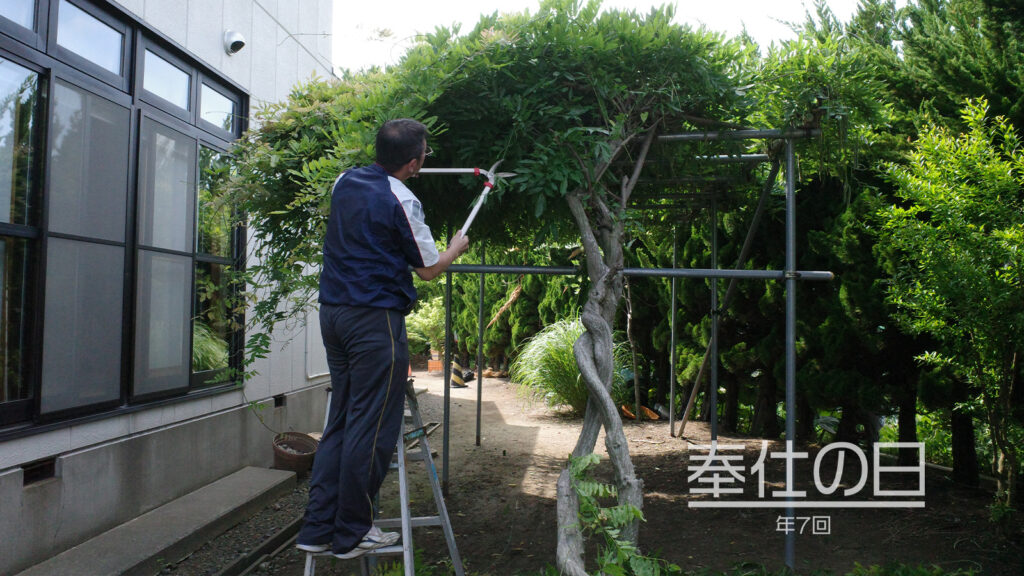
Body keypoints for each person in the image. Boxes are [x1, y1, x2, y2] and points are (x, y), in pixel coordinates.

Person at [296, 119, 470, 559]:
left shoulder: (344, 181)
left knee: (341, 420)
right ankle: (353, 531)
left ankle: (318, 528)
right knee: (372, 427)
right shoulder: (403, 199)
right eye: (424, 154)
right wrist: (456, 247)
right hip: (374, 322)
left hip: (333, 315)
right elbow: (428, 269)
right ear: (414, 162)